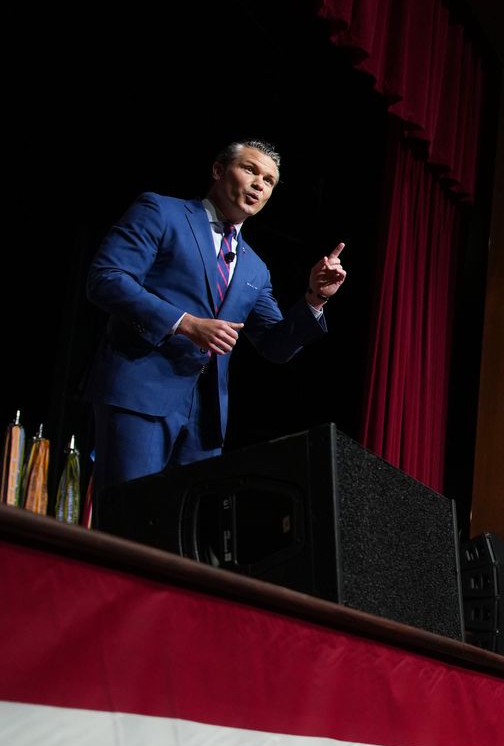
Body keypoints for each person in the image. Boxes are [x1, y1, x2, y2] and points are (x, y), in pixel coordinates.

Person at [84, 140, 347, 488]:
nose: (259, 184)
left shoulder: (255, 268)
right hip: (141, 394)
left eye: (268, 181)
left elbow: (275, 346)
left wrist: (314, 298)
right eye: (250, 170)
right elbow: (107, 279)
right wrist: (185, 324)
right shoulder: (162, 212)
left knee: (181, 537)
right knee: (129, 523)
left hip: (205, 423)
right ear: (219, 170)